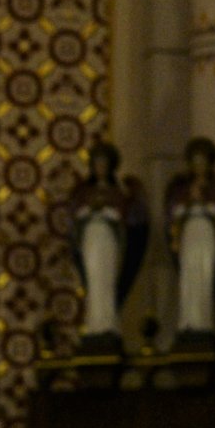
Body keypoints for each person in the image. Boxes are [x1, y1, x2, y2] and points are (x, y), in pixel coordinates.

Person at [65, 142, 148, 341]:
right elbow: (76, 218)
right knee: (93, 281)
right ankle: (94, 324)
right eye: (97, 164)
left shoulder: (118, 192)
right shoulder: (84, 192)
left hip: (108, 240)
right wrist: (91, 209)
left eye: (104, 164)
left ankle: (109, 323)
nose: (100, 168)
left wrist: (106, 210)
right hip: (91, 238)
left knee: (107, 279)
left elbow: (124, 218)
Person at [165, 137, 215, 340]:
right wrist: (190, 202)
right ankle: (188, 322)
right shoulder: (182, 189)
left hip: (207, 235)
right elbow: (174, 215)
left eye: (203, 162)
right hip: (190, 233)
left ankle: (204, 321)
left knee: (205, 273)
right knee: (189, 275)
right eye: (196, 162)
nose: (199, 167)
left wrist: (206, 203)